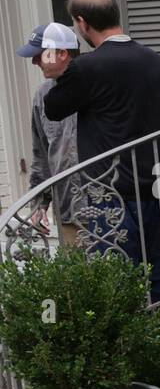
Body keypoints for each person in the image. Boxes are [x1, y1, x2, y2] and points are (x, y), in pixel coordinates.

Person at [43, 0, 160, 305]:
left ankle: (130, 344)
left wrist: (57, 73)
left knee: (117, 273)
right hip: (155, 186)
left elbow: (54, 108)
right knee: (151, 262)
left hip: (110, 190)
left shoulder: (86, 68)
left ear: (82, 23)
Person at [15, 22, 80, 248]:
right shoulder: (42, 95)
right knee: (77, 281)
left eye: (39, 55)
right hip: (68, 212)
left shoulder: (96, 86)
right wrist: (39, 203)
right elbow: (41, 156)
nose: (34, 61)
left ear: (61, 53)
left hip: (105, 209)